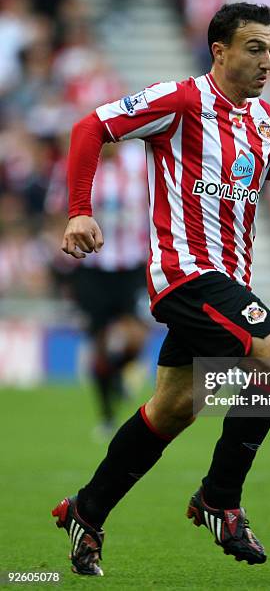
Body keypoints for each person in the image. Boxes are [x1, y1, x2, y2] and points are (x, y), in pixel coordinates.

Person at [51, 2, 270, 576]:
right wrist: (79, 210)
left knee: (173, 408)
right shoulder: (180, 101)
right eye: (255, 48)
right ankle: (219, 499)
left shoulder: (266, 123)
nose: (267, 61)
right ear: (219, 50)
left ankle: (87, 509)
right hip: (184, 275)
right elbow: (90, 127)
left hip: (228, 284)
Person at [47, 141, 150, 435]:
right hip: (92, 270)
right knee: (101, 345)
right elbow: (57, 211)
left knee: (136, 337)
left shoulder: (138, 167)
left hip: (131, 265)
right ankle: (106, 415)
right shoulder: (80, 169)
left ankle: (118, 375)